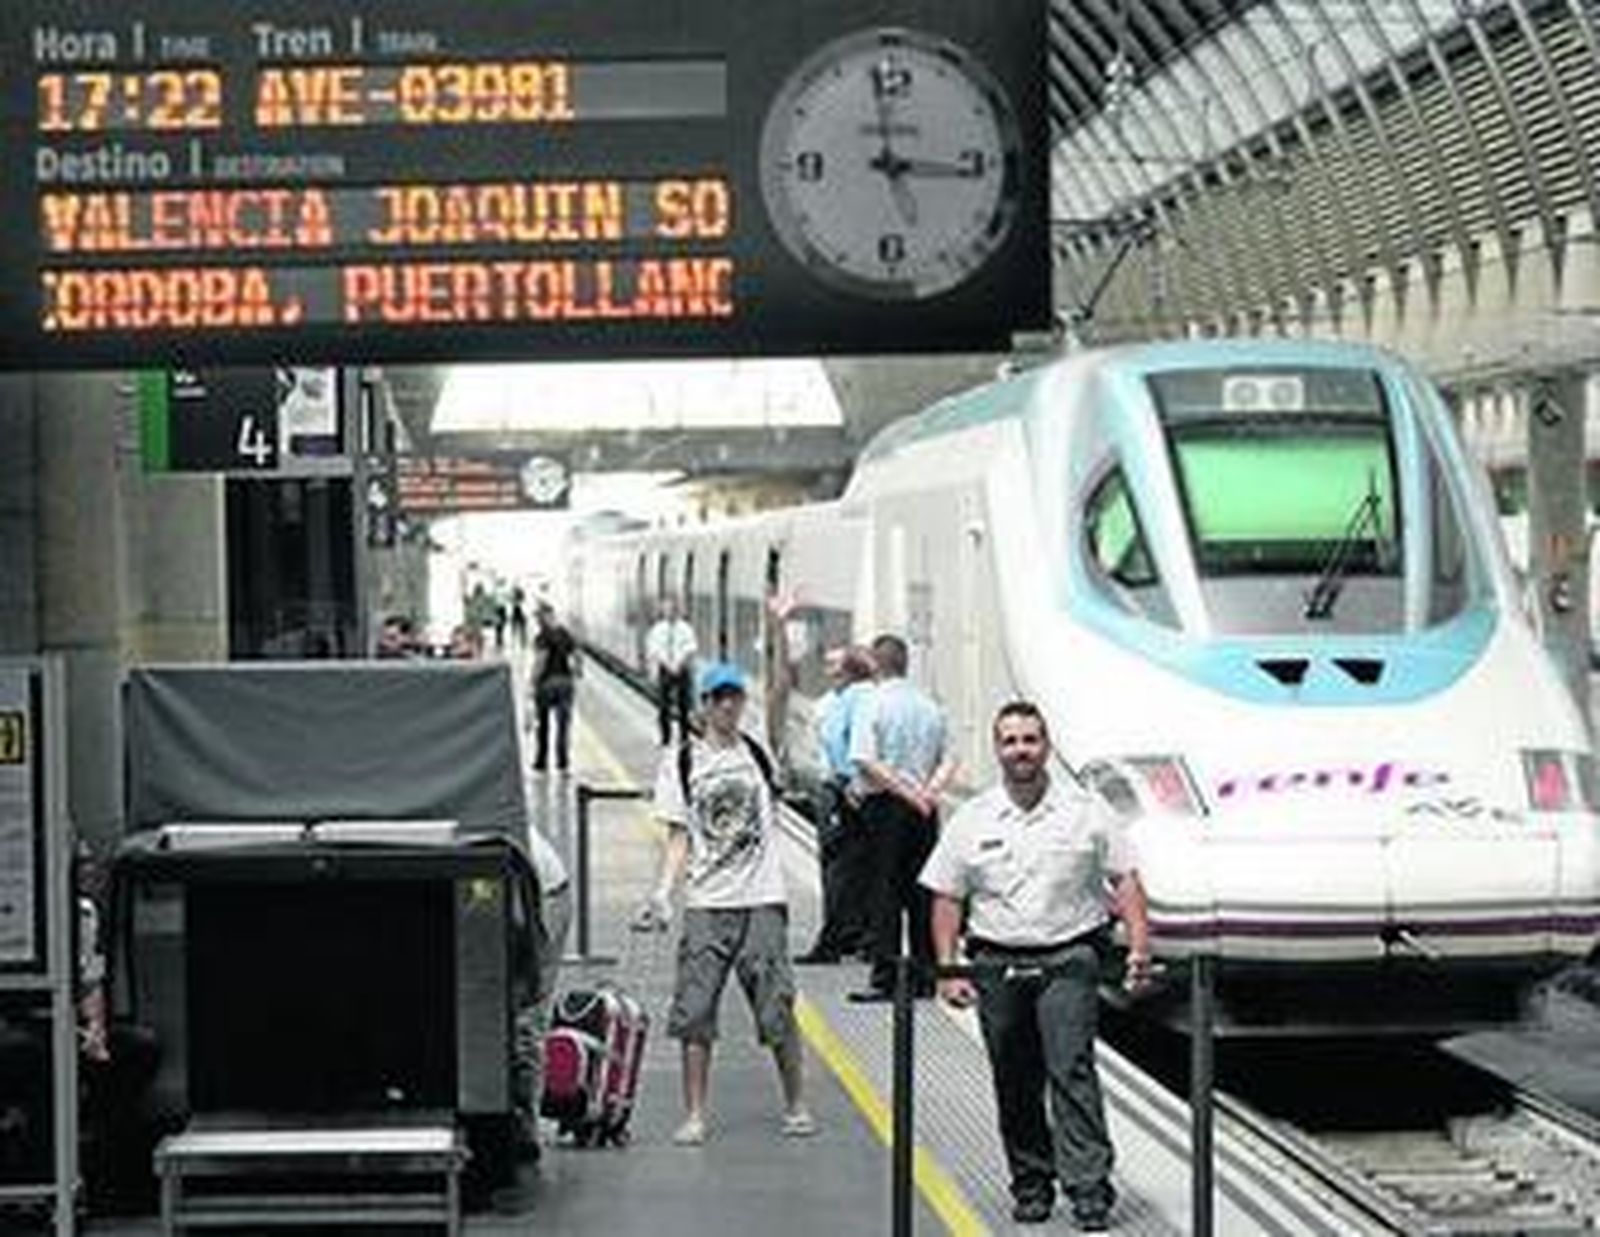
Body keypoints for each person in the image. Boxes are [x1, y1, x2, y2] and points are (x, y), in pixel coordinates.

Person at [920, 701, 1152, 1230]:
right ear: (997, 748)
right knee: (1014, 1075)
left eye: (1030, 739)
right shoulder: (973, 817)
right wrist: (948, 967)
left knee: (1070, 1068)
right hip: (996, 959)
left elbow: (1127, 880)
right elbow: (947, 897)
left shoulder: (1086, 810)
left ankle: (1088, 1186)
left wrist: (1139, 947)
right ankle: (1031, 1182)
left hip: (1069, 955)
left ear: (1046, 746)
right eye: (1010, 741)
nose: (1020, 750)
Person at [634, 661, 815, 1146]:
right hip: (706, 902)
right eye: (718, 698)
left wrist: (780, 637)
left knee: (777, 1007)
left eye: (735, 696)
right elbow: (678, 836)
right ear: (704, 706)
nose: (728, 705)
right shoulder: (681, 762)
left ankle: (796, 1101)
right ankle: (695, 1114)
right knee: (695, 1012)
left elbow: (781, 691)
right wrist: (661, 893)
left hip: (762, 899)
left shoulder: (757, 752)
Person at [846, 633, 955, 1002]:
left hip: (886, 808)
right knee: (921, 891)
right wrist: (928, 793)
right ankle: (925, 977)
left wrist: (906, 792)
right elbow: (949, 758)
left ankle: (887, 977)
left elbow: (865, 759)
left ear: (876, 664)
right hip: (924, 811)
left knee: (884, 892)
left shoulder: (873, 702)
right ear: (906, 663)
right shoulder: (929, 704)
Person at [795, 644, 877, 964]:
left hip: (841, 790)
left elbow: (837, 743)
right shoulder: (866, 697)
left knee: (836, 868)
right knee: (862, 867)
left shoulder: (847, 701)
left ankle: (834, 940)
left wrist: (848, 781)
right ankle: (860, 937)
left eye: (836, 667)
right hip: (862, 790)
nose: (829, 673)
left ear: (850, 672)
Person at [530, 603, 579, 773]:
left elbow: (540, 661)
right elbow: (576, 658)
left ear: (545, 616)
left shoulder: (542, 636)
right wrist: (575, 675)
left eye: (538, 617)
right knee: (563, 727)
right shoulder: (566, 634)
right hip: (566, 683)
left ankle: (541, 761)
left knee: (542, 725)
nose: (537, 620)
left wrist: (532, 682)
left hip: (547, 684)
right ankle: (563, 763)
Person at [645, 596, 698, 746]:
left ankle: (684, 737)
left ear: (677, 611)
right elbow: (654, 649)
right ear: (663, 611)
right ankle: (665, 737)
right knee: (663, 706)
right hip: (665, 670)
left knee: (684, 706)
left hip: (682, 670)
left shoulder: (686, 628)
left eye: (672, 609)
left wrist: (679, 662)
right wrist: (667, 664)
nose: (670, 612)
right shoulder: (657, 629)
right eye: (667, 609)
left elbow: (691, 648)